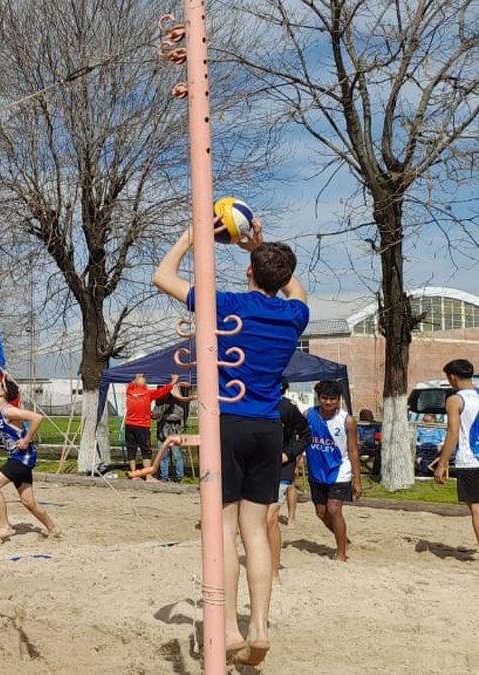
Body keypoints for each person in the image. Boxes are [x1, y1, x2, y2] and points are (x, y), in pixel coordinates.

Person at [153, 216, 308, 666]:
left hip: (228, 421)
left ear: (249, 273)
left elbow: (162, 276)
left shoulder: (226, 305)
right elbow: (295, 289)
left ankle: (230, 628)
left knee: (222, 529)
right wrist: (258, 249)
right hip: (267, 427)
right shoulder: (294, 314)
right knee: (256, 530)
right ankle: (259, 625)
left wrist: (192, 235)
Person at [0, 377, 60, 540]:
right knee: (28, 502)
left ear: (3, 393)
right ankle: (53, 528)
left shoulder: (9, 410)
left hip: (22, 457)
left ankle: (5, 526)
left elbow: (38, 418)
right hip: (16, 457)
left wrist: (27, 439)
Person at [304, 380, 360, 561]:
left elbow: (353, 450)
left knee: (334, 509)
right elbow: (302, 441)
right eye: (324, 398)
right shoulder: (308, 415)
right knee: (322, 513)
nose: (328, 403)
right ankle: (342, 537)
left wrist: (357, 479)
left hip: (339, 471)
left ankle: (341, 553)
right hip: (316, 471)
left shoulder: (347, 420)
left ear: (339, 400)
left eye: (332, 399)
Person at [434, 358, 479, 546]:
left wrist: (442, 463)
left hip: (469, 460)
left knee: (476, 510)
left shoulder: (455, 400)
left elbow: (452, 432)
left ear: (452, 377)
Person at [271, 379, 310, 583]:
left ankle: (274, 568)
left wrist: (290, 454)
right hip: (255, 468)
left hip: (281, 467)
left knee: (270, 518)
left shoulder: (286, 407)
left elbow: (306, 434)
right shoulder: (249, 405)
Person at [124, 373, 180, 479]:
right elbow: (164, 390)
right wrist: (174, 380)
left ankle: (133, 473)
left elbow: (131, 382)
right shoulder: (148, 393)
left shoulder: (130, 391)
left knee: (131, 450)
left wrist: (137, 376)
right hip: (142, 426)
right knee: (146, 451)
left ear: (135, 383)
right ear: (146, 384)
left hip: (129, 425)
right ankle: (148, 475)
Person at [154, 381, 194, 482]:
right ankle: (164, 476)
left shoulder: (176, 400)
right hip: (161, 433)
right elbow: (155, 413)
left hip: (173, 432)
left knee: (177, 456)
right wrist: (154, 415)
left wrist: (164, 416)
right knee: (162, 456)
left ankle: (179, 476)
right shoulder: (158, 401)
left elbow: (178, 415)